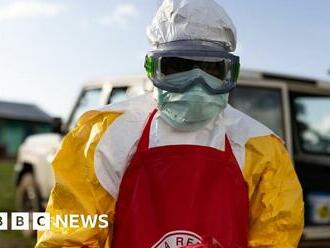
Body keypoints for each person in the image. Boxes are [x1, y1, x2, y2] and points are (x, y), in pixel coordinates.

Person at [36, 0, 304, 247]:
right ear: (152, 69)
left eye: (211, 70)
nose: (196, 85)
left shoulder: (261, 149)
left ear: (230, 73)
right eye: (178, 67)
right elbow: (69, 233)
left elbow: (276, 237)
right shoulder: (106, 136)